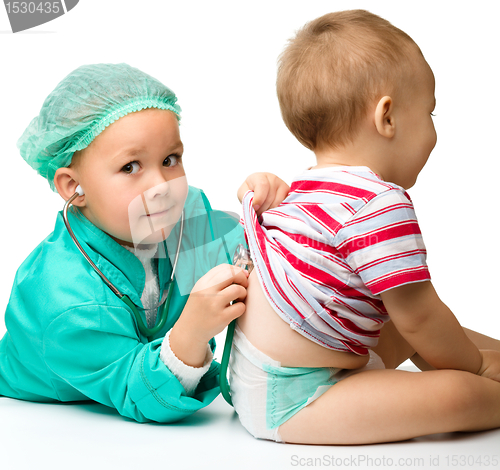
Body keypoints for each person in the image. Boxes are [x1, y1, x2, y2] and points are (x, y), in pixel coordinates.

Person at [229, 10, 500, 444]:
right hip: (299, 398)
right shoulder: (376, 204)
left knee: (406, 326)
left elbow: (412, 321)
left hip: (262, 375)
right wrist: (475, 367)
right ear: (387, 118)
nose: (434, 131)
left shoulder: (309, 189)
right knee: (458, 392)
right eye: (431, 113)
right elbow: (421, 316)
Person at [0, 63, 289, 423]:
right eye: (130, 167)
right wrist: (191, 333)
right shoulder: (64, 300)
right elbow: (137, 395)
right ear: (73, 187)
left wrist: (272, 211)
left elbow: (256, 255)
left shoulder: (183, 216)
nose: (161, 185)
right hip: (52, 408)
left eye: (170, 160)